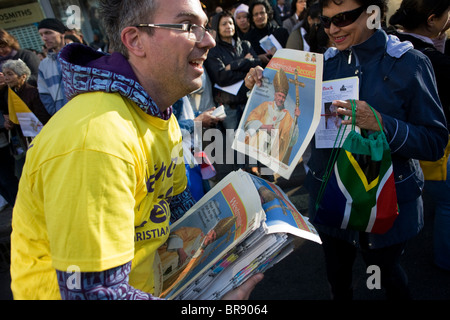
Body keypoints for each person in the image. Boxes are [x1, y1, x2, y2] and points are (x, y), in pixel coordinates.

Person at [10, 0, 263, 300]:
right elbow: (93, 295)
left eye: (205, 27)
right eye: (187, 26)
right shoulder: (96, 141)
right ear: (134, 40)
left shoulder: (158, 113)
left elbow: (175, 207)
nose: (207, 40)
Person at [246, 0, 448, 300]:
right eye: (326, 22)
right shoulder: (319, 65)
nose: (332, 29)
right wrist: (261, 86)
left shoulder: (410, 63)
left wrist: (382, 124)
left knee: (385, 276)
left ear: (373, 13)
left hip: (384, 202)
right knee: (338, 278)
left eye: (342, 18)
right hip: (330, 200)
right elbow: (287, 124)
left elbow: (434, 142)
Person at [389, 0, 450, 272]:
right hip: (430, 150)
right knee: (446, 202)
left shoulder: (390, 46)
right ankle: (443, 261)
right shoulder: (430, 60)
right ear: (432, 19)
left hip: (399, 149)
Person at [244, 68, 300, 165]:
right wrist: (264, 127)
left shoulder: (287, 115)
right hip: (256, 149)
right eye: (279, 95)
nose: (281, 99)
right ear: (274, 95)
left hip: (273, 156)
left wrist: (296, 120)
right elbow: (249, 122)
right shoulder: (265, 106)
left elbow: (292, 140)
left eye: (283, 97)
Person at [37, 18, 68, 117]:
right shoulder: (43, 65)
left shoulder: (79, 55)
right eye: (41, 35)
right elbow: (44, 93)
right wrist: (56, 113)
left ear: (62, 33)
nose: (44, 38)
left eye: (48, 33)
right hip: (63, 118)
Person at [244, 0, 290, 66]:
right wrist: (258, 58)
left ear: (268, 14)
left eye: (262, 13)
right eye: (256, 14)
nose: (259, 16)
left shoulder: (281, 32)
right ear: (252, 18)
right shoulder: (247, 38)